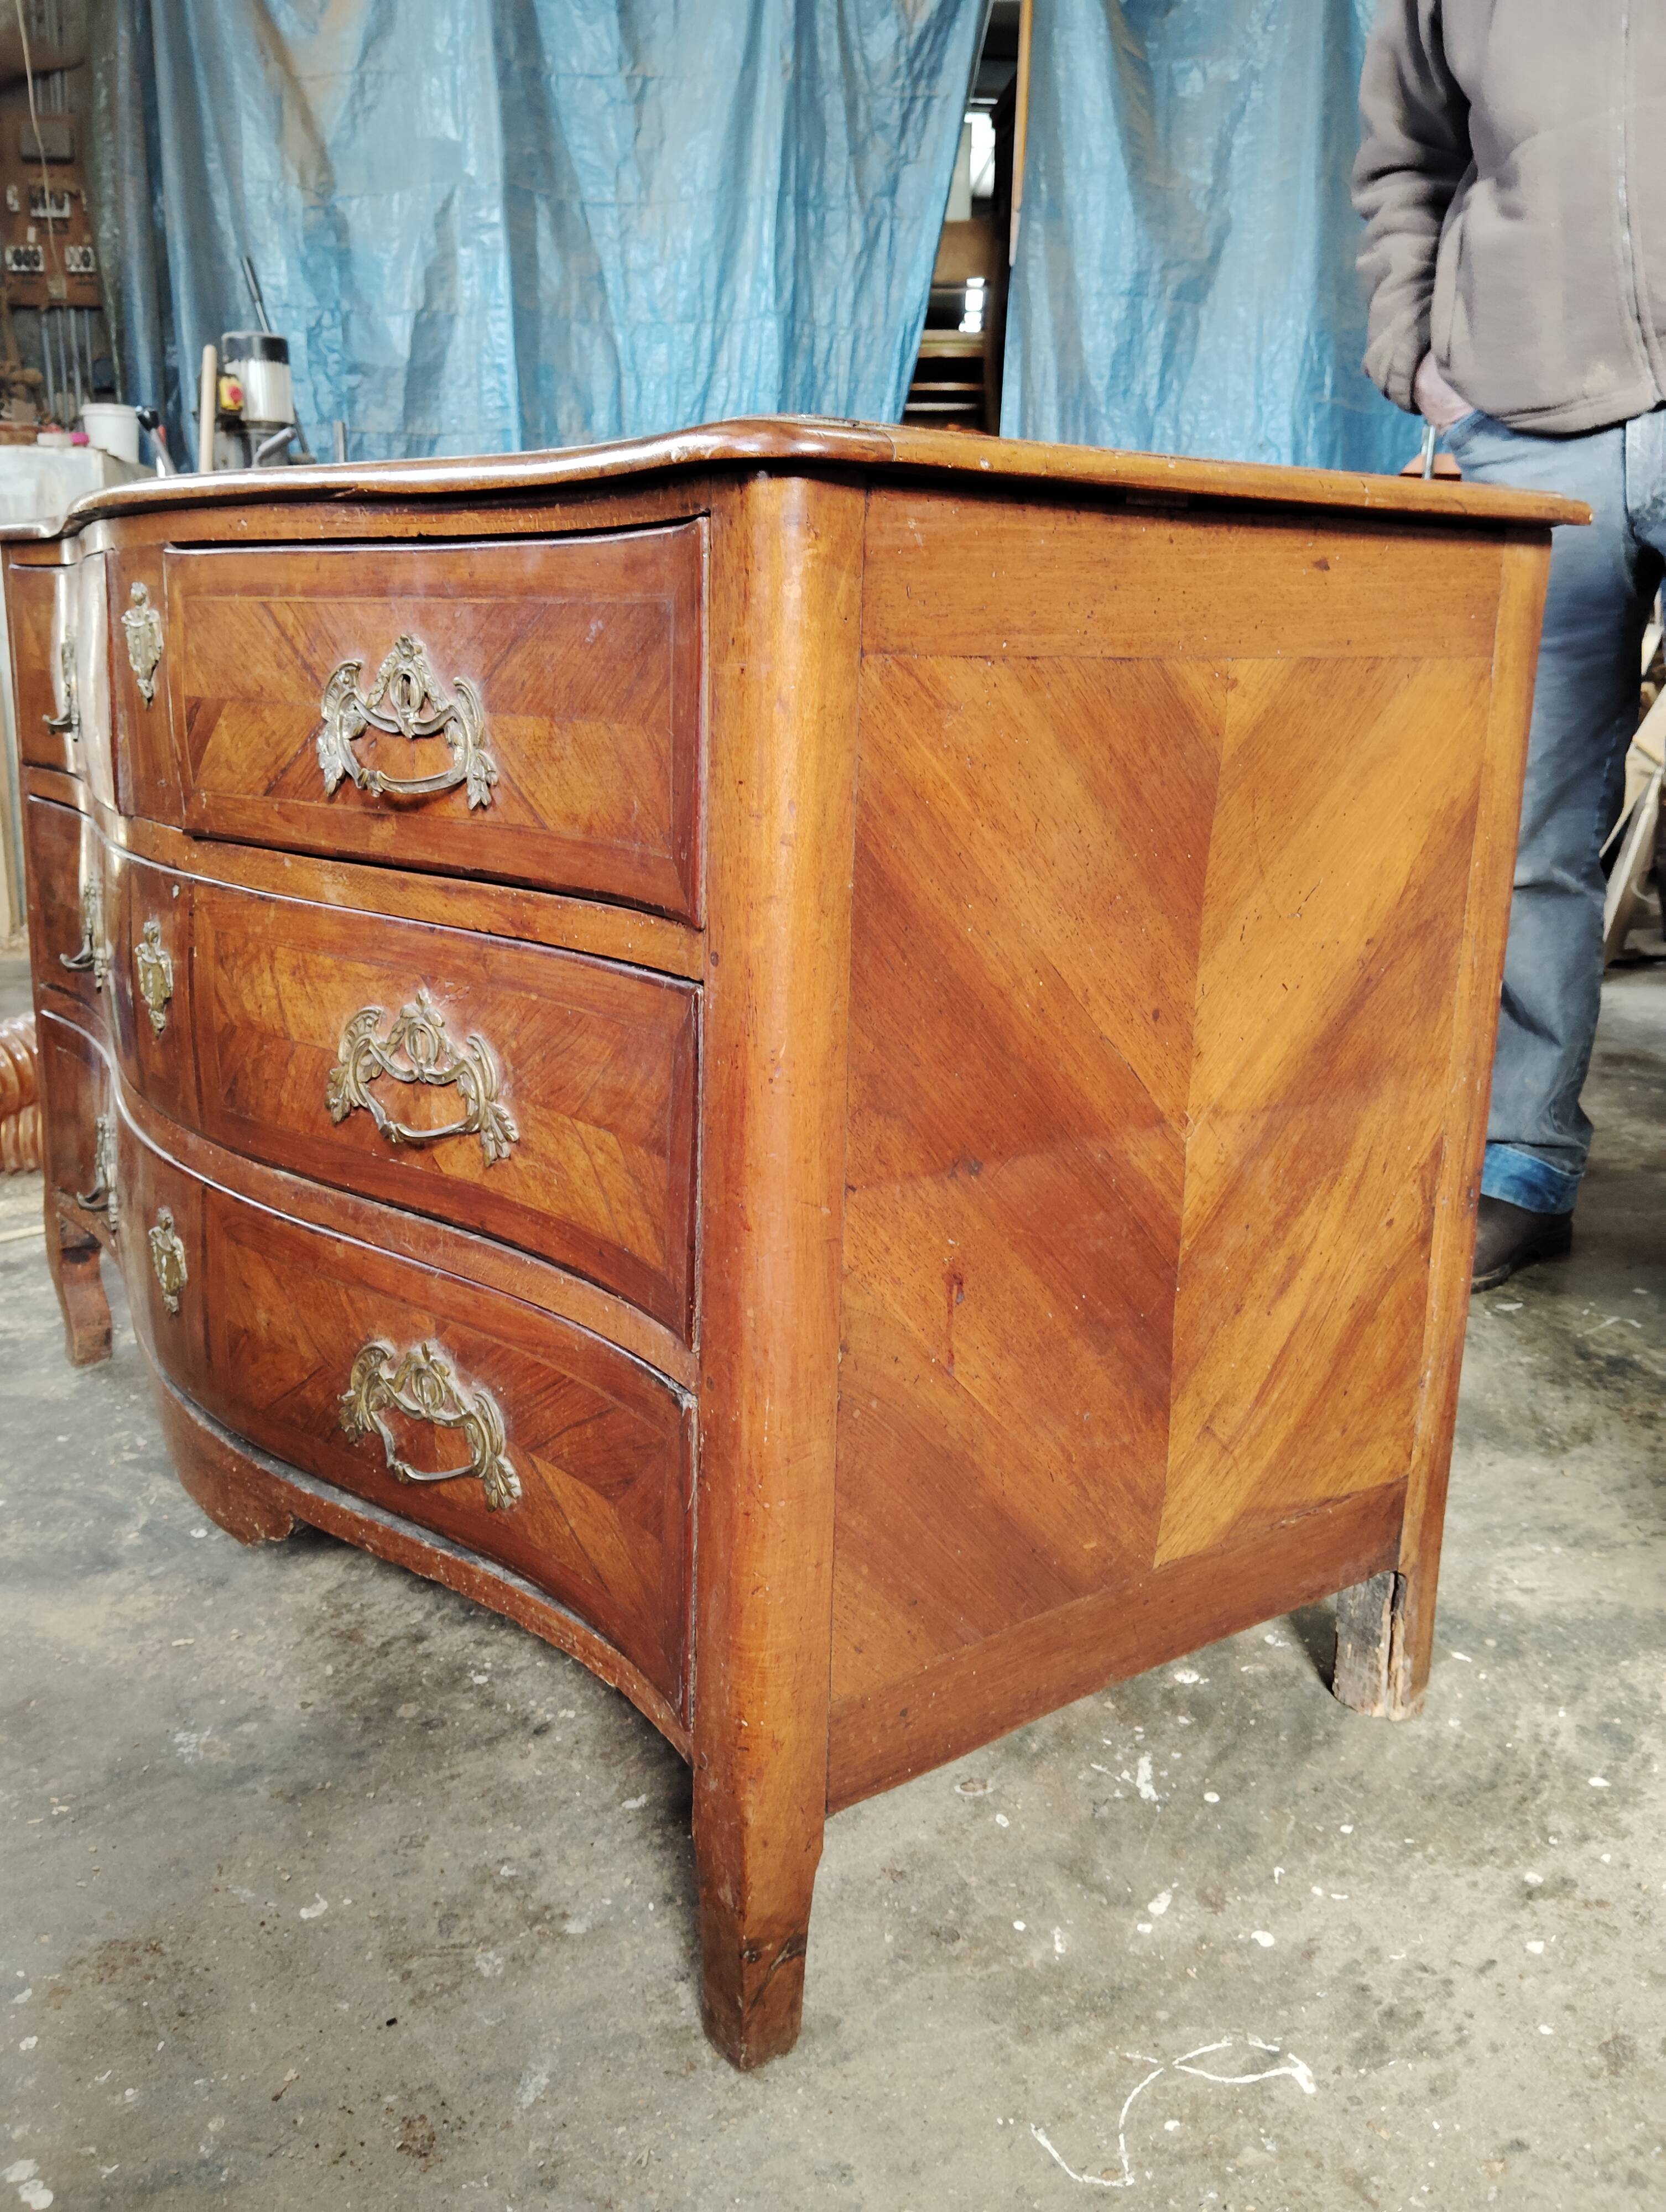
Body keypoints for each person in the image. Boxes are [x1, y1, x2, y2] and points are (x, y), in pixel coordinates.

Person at [1353, 3, 1666, 1289]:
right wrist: (1418, 357)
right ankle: (1523, 1163)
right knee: (1526, 827)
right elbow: (1404, 159)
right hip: (1531, 427)